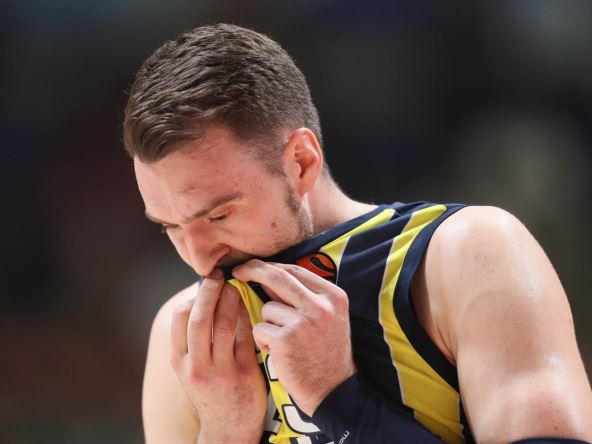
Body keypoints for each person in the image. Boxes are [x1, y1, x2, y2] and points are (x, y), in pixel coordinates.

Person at [123, 24, 592, 444]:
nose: (199, 259)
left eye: (219, 216)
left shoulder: (468, 253)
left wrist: (339, 400)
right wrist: (224, 432)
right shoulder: (179, 332)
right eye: (170, 227)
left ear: (301, 162)